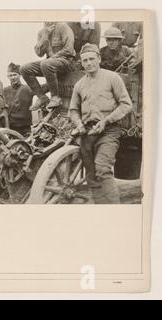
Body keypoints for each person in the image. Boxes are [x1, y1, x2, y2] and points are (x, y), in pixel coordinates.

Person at [69, 43, 132, 204]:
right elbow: (73, 110)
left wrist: (106, 121)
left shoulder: (112, 78)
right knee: (91, 176)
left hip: (109, 130)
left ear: (99, 59)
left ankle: (114, 209)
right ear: (81, 63)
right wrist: (79, 124)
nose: (88, 63)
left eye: (91, 59)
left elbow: (126, 104)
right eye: (85, 60)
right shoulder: (79, 85)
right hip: (88, 133)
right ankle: (100, 209)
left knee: (102, 169)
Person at [20, 22, 75, 112]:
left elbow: (69, 49)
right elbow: (39, 53)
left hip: (66, 61)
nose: (48, 21)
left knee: (46, 64)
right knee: (24, 69)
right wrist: (45, 36)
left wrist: (53, 57)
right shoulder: (42, 32)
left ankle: (55, 97)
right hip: (49, 64)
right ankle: (42, 98)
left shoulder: (63, 27)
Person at [3, 63, 34, 137]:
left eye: (15, 75)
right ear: (8, 77)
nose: (13, 78)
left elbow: (43, 89)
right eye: (10, 75)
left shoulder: (27, 88)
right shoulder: (5, 91)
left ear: (20, 75)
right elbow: (4, 110)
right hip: (11, 129)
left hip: (25, 129)